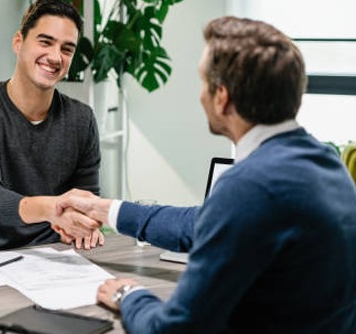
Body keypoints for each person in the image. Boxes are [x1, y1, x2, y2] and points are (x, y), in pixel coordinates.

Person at [59, 17, 356, 333]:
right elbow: (202, 224)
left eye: (202, 83)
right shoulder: (325, 161)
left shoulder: (249, 185)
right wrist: (104, 208)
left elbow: (174, 329)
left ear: (222, 97)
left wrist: (128, 295)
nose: (200, 96)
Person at [0, 0, 103, 257]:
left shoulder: (81, 119)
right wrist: (56, 209)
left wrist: (86, 223)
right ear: (18, 42)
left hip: (54, 257)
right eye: (45, 42)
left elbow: (86, 200)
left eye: (67, 49)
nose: (55, 56)